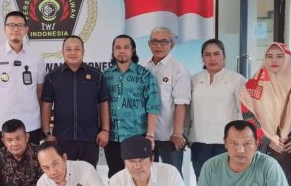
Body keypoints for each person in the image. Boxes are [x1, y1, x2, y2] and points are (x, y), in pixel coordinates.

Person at [239, 42, 291, 186]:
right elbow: (248, 116)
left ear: (287, 59)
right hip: (260, 144)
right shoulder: (252, 85)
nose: (274, 60)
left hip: (289, 146)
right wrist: (268, 140)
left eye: (279, 56)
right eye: (269, 56)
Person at [41, 35, 110, 167]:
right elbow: (46, 105)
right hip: (62, 138)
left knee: (89, 175)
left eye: (77, 49)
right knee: (65, 174)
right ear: (62, 52)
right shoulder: (52, 77)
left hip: (90, 138)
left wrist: (105, 130)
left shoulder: (97, 76)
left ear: (83, 52)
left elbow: (103, 103)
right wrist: (46, 133)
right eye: (68, 49)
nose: (72, 52)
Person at [0, 11, 45, 148]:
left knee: (31, 162)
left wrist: (44, 126)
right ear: (4, 29)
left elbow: (40, 93)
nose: (16, 29)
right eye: (11, 25)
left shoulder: (36, 56)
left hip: (30, 125)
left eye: (20, 25)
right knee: (1, 161)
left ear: (26, 29)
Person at [189, 39, 246, 180]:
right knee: (203, 183)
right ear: (202, 57)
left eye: (216, 54)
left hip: (227, 143)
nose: (212, 58)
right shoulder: (194, 80)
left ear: (224, 56)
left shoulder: (237, 79)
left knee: (227, 184)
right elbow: (186, 110)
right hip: (199, 142)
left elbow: (245, 113)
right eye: (207, 54)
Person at [103, 35, 160, 177]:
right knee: (115, 177)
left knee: (138, 177)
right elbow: (100, 105)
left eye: (126, 47)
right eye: (118, 47)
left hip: (137, 136)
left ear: (133, 50)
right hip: (112, 138)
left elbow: (152, 106)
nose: (122, 51)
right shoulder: (105, 76)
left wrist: (150, 135)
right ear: (113, 51)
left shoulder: (145, 75)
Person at [143, 27, 191, 175]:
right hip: (146, 134)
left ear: (172, 45)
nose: (158, 46)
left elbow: (181, 104)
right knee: (148, 175)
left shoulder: (179, 70)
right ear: (149, 44)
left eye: (164, 42)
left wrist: (177, 133)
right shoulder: (142, 67)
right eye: (155, 42)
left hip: (169, 136)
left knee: (172, 175)